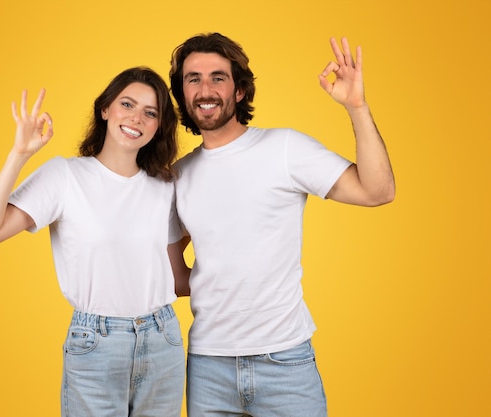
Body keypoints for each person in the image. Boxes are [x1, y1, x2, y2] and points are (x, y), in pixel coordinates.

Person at [167, 33, 395, 416]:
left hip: (285, 362)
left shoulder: (284, 149)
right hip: (208, 366)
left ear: (239, 90)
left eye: (217, 77)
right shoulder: (178, 176)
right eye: (193, 79)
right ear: (183, 94)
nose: (205, 89)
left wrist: (356, 106)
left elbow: (377, 190)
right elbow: (176, 278)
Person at [0, 67, 186, 417]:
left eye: (150, 112)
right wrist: (19, 154)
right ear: (105, 109)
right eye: (127, 104)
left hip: (163, 339)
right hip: (96, 343)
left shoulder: (165, 187)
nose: (136, 118)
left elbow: (178, 279)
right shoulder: (65, 176)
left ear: (159, 126)